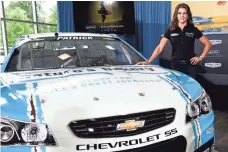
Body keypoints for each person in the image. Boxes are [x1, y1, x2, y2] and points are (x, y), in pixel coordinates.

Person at [137, 3, 212, 79]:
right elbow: (160, 47)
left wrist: (201, 57)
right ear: (176, 15)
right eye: (179, 13)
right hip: (176, 66)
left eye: (184, 13)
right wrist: (149, 61)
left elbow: (208, 44)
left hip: (190, 66)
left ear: (188, 15)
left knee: (190, 89)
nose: (182, 16)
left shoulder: (193, 29)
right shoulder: (171, 30)